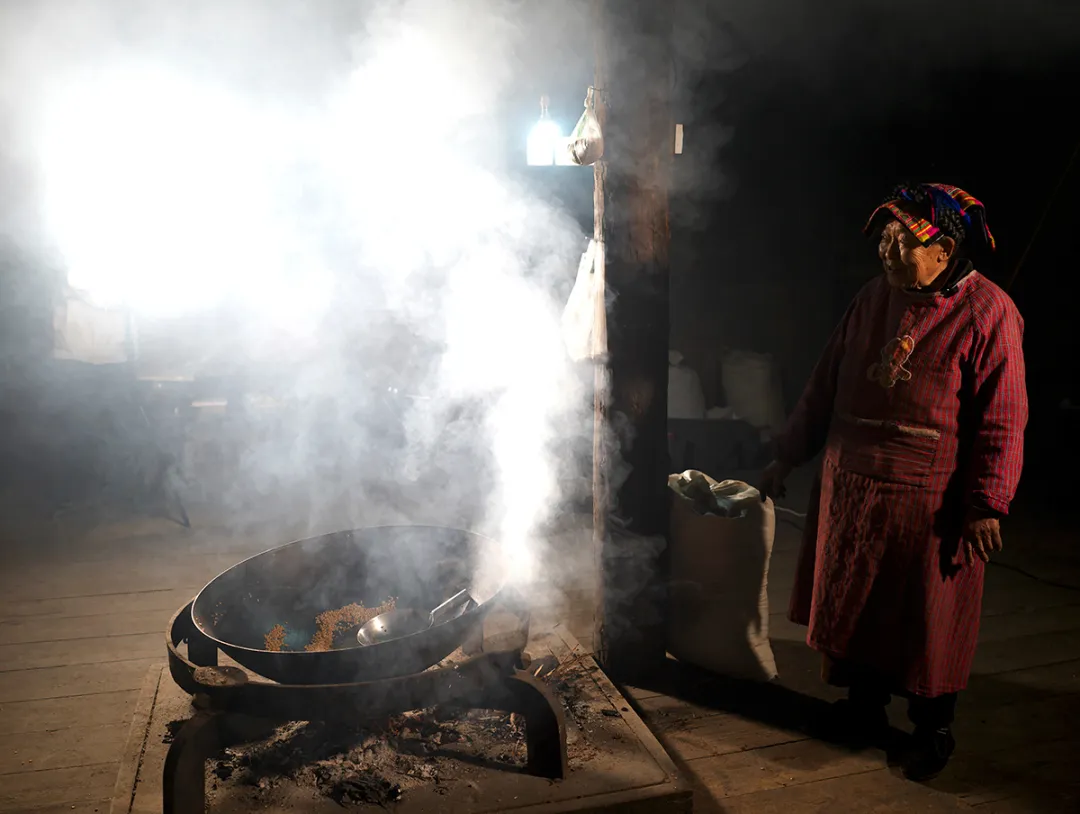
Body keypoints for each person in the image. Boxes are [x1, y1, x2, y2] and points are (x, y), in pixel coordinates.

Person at [759, 183, 1027, 781]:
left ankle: (932, 730)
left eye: (901, 239)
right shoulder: (871, 299)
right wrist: (787, 456)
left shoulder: (989, 313)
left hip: (929, 501)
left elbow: (1003, 417)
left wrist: (987, 503)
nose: (886, 250)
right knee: (855, 601)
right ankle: (862, 710)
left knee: (925, 619)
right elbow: (823, 383)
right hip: (853, 486)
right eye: (884, 237)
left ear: (942, 249)